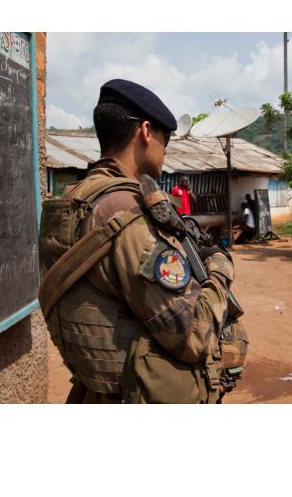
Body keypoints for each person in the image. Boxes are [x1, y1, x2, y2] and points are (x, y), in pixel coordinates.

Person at [39, 78, 235, 404]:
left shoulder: (74, 198)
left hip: (95, 388)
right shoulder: (126, 214)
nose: (165, 149)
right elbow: (190, 336)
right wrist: (219, 270)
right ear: (145, 131)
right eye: (165, 139)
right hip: (132, 395)